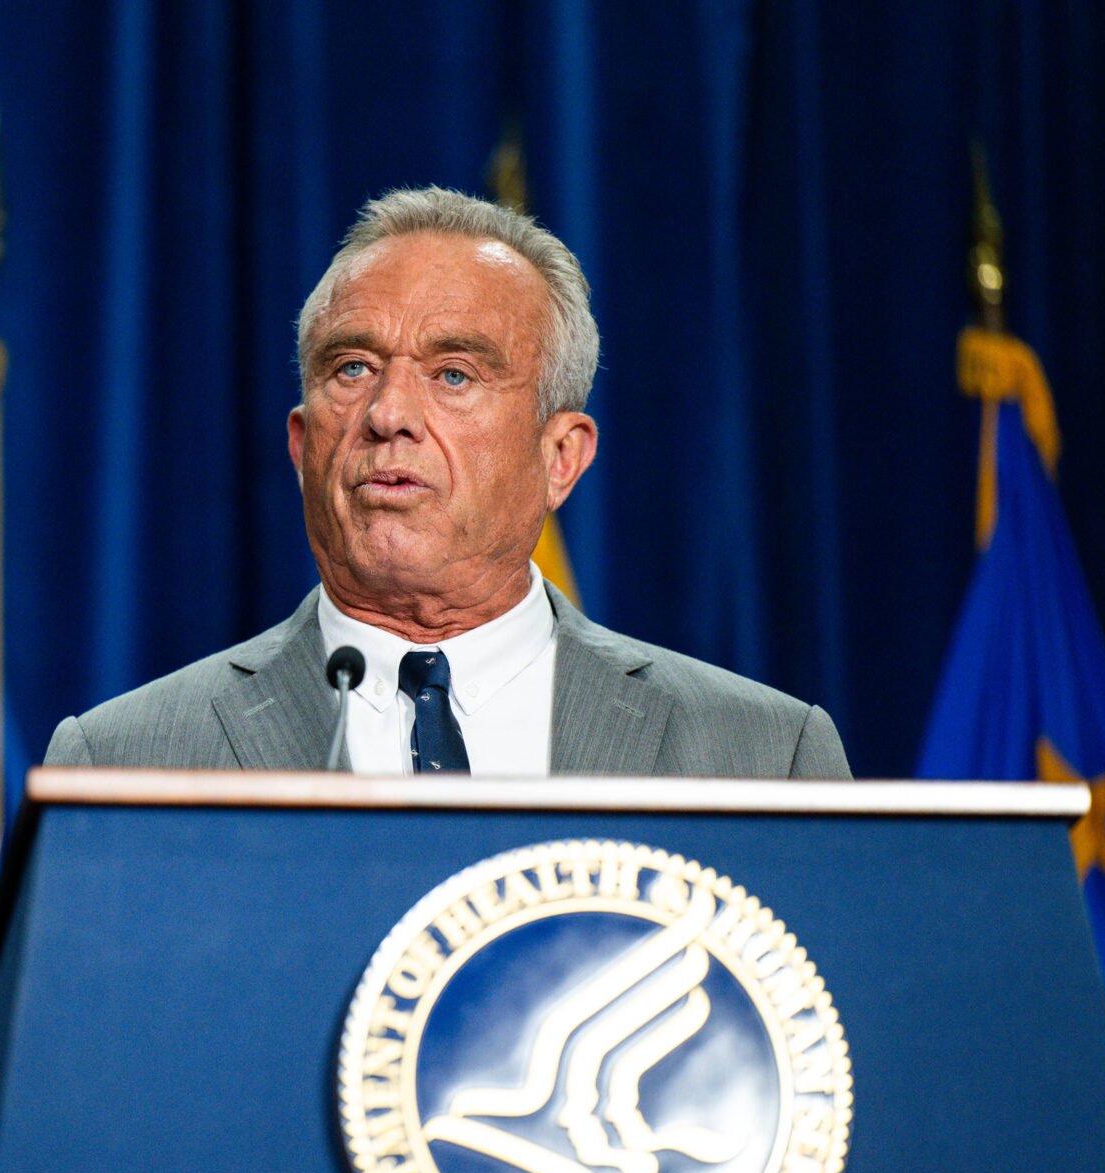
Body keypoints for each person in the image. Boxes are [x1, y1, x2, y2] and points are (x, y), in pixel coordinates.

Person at [44, 187, 849, 779]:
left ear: (560, 458)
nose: (388, 413)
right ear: (302, 445)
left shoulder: (764, 755)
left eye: (455, 374)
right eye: (351, 367)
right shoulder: (122, 760)